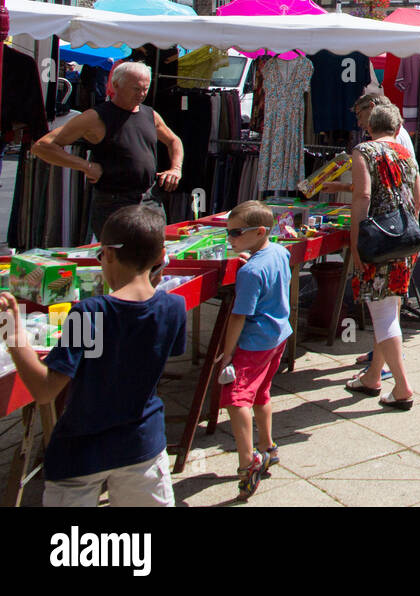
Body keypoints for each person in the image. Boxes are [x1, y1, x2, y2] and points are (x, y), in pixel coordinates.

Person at [0, 205, 187, 506]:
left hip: (81, 452)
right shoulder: (174, 308)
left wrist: (12, 330)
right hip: (143, 445)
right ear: (159, 257)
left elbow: (44, 390)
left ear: (109, 254)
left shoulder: (89, 313)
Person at [33, 61, 184, 238]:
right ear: (116, 85)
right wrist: (85, 166)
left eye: (145, 88)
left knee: (154, 256)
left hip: (150, 199)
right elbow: (42, 146)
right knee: (119, 258)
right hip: (114, 202)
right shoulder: (95, 117)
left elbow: (174, 140)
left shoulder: (150, 114)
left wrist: (176, 168)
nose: (142, 94)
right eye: (136, 89)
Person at [215, 200, 293, 500]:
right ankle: (268, 446)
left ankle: (248, 463)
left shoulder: (249, 273)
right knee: (262, 393)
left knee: (236, 399)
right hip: (278, 335)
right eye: (229, 233)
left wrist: (227, 353)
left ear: (259, 231)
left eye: (236, 233)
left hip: (254, 342)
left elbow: (238, 316)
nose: (230, 239)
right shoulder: (278, 252)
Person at [346, 103, 420, 411]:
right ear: (397, 126)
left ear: (370, 127)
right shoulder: (407, 154)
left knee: (383, 312)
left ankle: (402, 387)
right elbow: (417, 199)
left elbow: (362, 196)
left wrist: (355, 242)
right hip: (404, 240)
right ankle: (373, 376)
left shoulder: (364, 151)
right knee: (388, 306)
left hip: (378, 240)